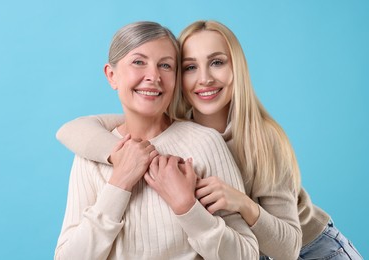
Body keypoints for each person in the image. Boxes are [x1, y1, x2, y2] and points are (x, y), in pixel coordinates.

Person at [56, 21, 363, 260]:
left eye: (217, 62)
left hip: (311, 247)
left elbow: (285, 249)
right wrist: (123, 163)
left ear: (236, 69)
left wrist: (238, 204)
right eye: (190, 66)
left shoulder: (257, 139)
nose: (204, 78)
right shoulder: (159, 128)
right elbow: (74, 129)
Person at [54, 21, 259, 260]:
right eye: (139, 62)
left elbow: (248, 255)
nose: (153, 76)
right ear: (112, 75)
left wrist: (187, 207)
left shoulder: (206, 143)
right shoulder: (92, 154)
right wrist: (119, 183)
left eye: (165, 65)